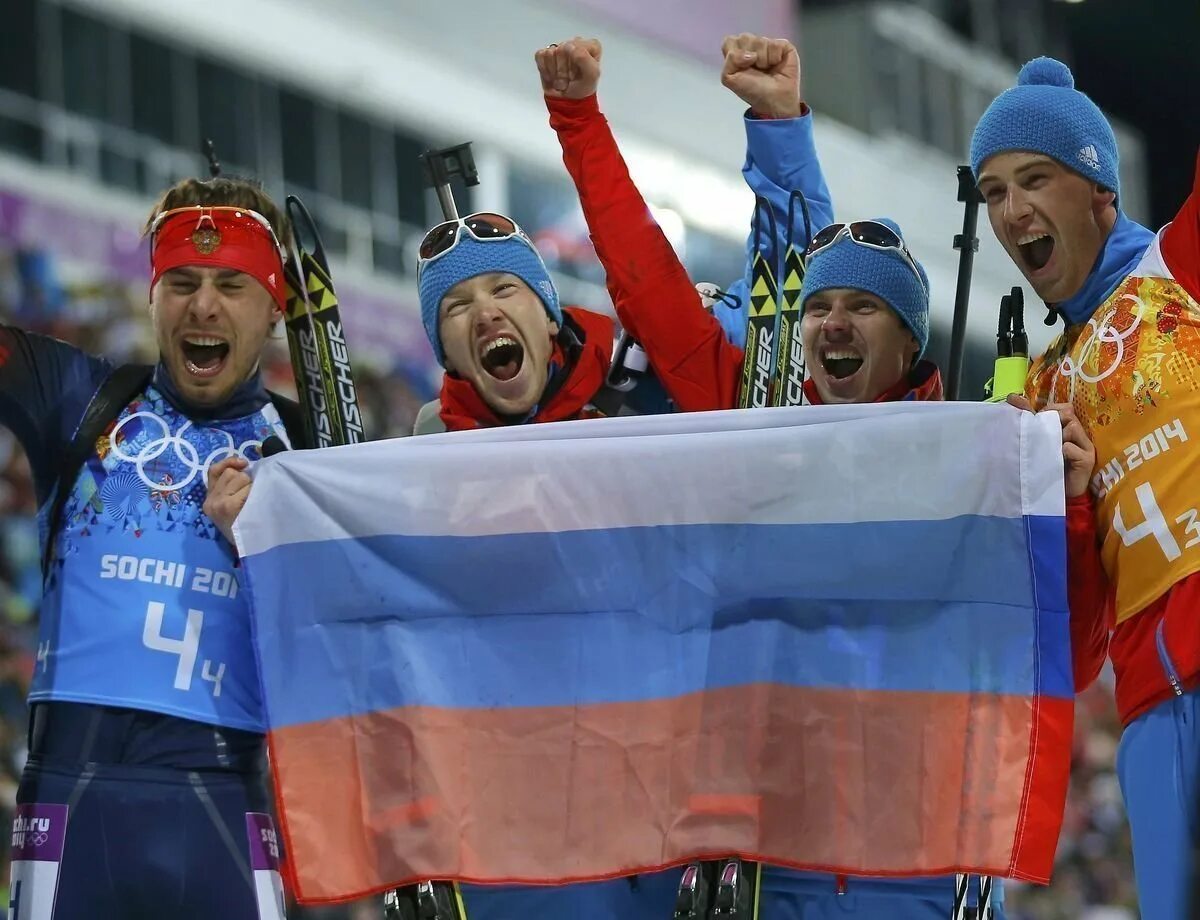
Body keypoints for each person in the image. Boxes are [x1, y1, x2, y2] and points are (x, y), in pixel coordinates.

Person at [1, 176, 302, 919]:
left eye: (231, 284)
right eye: (182, 283)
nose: (203, 305)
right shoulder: (77, 399)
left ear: (275, 308)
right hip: (69, 804)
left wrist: (267, 544)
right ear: (153, 298)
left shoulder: (318, 453)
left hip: (230, 807)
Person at [972, 56, 1200, 918]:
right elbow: (1064, 653)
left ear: (1100, 189)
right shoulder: (1034, 396)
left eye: (1035, 179)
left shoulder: (1180, 273)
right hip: (1150, 710)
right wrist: (1064, 508)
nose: (1012, 210)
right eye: (993, 193)